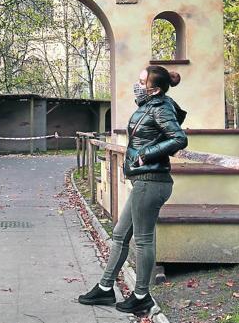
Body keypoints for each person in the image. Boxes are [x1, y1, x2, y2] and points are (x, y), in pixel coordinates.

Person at [77, 65, 188, 314]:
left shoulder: (160, 108)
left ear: (155, 88)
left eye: (142, 81)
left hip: (152, 181)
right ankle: (105, 288)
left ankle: (141, 295)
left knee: (143, 239)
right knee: (119, 233)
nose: (137, 85)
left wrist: (146, 155)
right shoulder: (151, 106)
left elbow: (179, 138)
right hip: (144, 181)